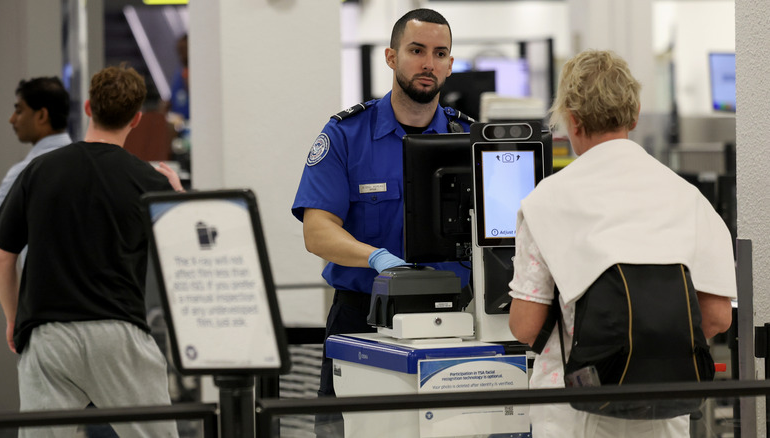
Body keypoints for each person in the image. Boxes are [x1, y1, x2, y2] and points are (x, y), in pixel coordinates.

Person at [507, 50, 735, 438]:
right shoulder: (689, 198)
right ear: (634, 114)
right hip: (666, 410)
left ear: (573, 120)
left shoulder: (546, 200)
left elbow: (525, 325)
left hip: (575, 413)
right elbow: (716, 319)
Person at [291, 8, 473, 436]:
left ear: (449, 64)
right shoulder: (345, 135)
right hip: (363, 317)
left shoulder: (470, 142)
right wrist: (375, 258)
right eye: (416, 50)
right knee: (345, 431)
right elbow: (317, 231)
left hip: (455, 321)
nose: (428, 63)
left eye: (440, 53)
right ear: (391, 57)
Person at [0, 65, 183, 438]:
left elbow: (0, 256)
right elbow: (188, 254)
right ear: (137, 118)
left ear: (89, 108)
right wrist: (177, 198)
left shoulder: (38, 170)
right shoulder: (149, 180)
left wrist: (15, 319)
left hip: (48, 334)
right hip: (119, 333)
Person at [0, 77, 72, 225]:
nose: (12, 119)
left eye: (19, 111)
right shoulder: (84, 161)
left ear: (41, 115)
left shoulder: (27, 170)